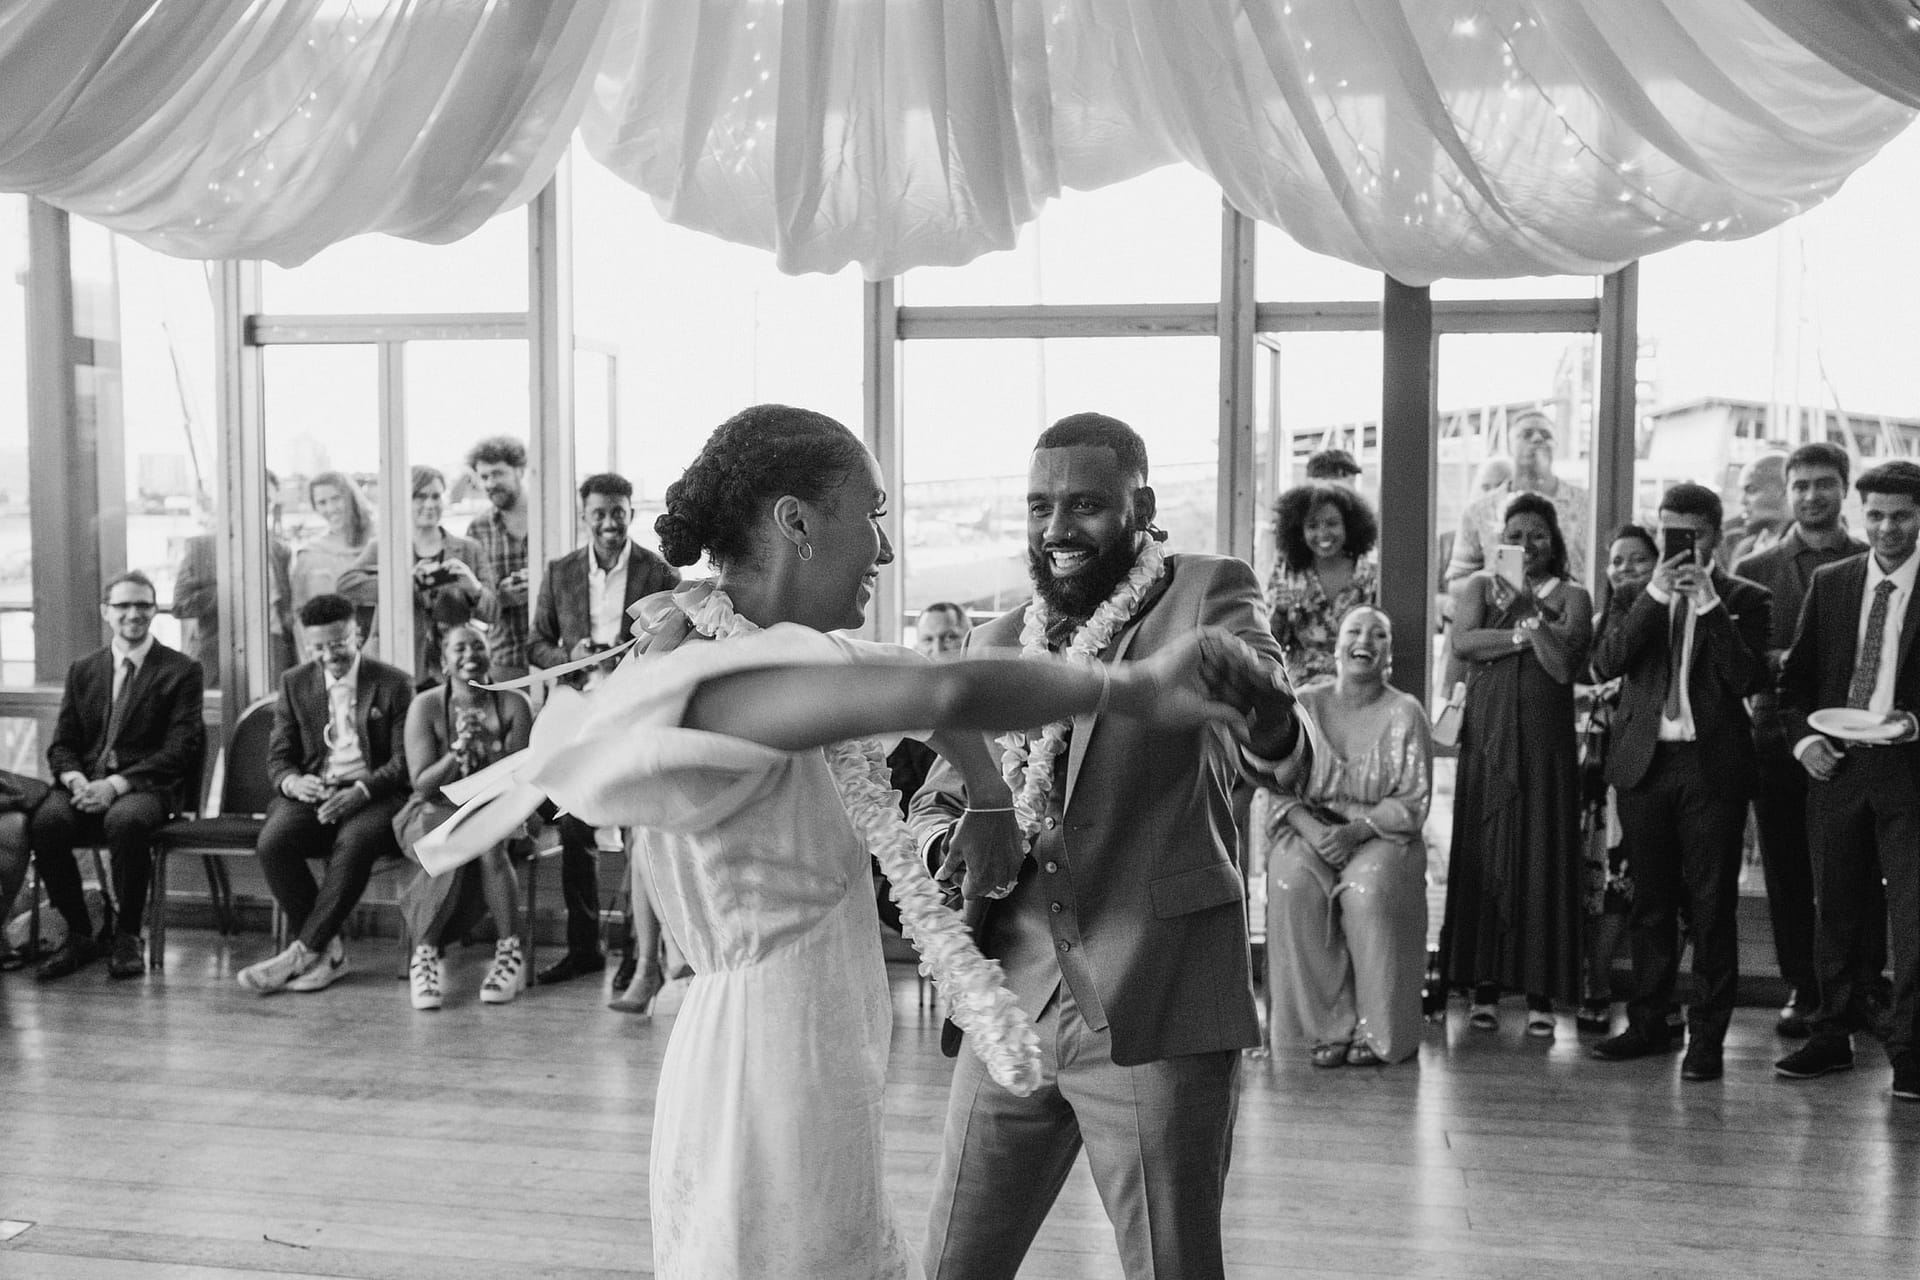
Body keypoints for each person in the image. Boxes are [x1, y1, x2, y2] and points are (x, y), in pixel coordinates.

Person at [412, 403, 1255, 1279]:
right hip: (766, 1070)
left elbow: (928, 685)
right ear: (797, 522)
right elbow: (941, 692)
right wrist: (1134, 687)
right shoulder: (710, 675)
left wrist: (994, 795)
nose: (884, 550)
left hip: (826, 1044)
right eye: (874, 515)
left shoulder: (781, 653)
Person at [910, 411, 1308, 1280]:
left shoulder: (1207, 593)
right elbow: (942, 800)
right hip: (1006, 1002)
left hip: (1155, 994)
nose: (1057, 530)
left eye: (1085, 504)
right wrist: (955, 838)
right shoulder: (996, 640)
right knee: (950, 1262)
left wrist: (1267, 709)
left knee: (1172, 1264)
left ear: (1142, 506)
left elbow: (1286, 749)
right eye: (1038, 506)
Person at [1588, 485, 1771, 1083]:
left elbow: (1746, 678)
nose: (1677, 545)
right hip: (1645, 764)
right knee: (1650, 903)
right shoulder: (1634, 594)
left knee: (1713, 905)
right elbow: (1605, 663)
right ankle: (1648, 1023)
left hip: (1712, 767)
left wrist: (1711, 605)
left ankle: (1708, 1038)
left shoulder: (1748, 599)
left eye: (1688, 533)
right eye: (1668, 532)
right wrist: (1657, 594)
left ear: (1714, 535)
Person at [1775, 460, 1920, 1103]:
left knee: (1913, 918)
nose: (1888, 528)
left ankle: (1911, 1054)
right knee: (1832, 909)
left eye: (1903, 516)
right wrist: (1805, 742)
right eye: (1878, 515)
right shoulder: (1833, 583)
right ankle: (1831, 1035)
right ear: (1863, 516)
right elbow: (1794, 684)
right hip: (1836, 767)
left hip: (1909, 771)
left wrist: (1914, 722)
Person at [1439, 492, 1592, 1035]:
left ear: (1554, 540)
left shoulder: (1575, 595)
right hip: (1489, 734)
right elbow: (1464, 643)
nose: (1526, 544)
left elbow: (1561, 668)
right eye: (1516, 534)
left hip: (1547, 743)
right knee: (1488, 852)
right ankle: (1482, 986)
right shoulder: (1479, 585)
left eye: (1537, 534)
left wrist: (1528, 613)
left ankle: (1539, 995)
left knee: (1541, 855)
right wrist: (1522, 632)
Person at [1736, 441, 1872, 1038]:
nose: (1812, 495)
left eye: (1824, 483)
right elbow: (1737, 665)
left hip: (1861, 741)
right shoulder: (1755, 570)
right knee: (1788, 871)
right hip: (1777, 738)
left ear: (1845, 489)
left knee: (1858, 872)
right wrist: (1786, 663)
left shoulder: (1876, 561)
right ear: (1788, 492)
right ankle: (1803, 986)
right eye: (1801, 485)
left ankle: (1861, 987)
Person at [527, 471, 681, 993]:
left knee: (642, 831)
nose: (610, 523)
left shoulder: (659, 572)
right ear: (585, 516)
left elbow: (678, 648)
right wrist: (568, 658)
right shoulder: (560, 571)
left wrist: (634, 658)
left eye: (618, 512)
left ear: (629, 512)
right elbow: (536, 645)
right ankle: (583, 948)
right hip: (578, 718)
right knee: (574, 830)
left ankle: (642, 957)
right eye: (600, 513)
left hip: (636, 715)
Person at [1264, 605, 1431, 1067]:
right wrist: (1315, 831)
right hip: (1309, 825)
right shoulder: (1305, 705)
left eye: (1379, 634)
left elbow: (1414, 801)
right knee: (1291, 883)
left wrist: (1358, 830)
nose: (1366, 640)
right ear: (1335, 648)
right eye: (1355, 631)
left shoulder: (1406, 712)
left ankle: (1377, 1033)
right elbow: (1275, 785)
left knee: (1366, 892)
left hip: (1381, 832)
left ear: (1388, 654)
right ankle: (1321, 1030)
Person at [30, 571, 205, 981]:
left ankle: (128, 935)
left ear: (154, 611)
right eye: (123, 606)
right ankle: (79, 933)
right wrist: (76, 780)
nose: (134, 614)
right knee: (46, 822)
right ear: (106, 612)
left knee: (125, 821)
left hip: (148, 786)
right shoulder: (84, 670)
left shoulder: (182, 671)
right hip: (85, 782)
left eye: (143, 605)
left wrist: (114, 786)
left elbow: (180, 750)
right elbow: (62, 744)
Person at [237, 594, 415, 995]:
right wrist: (292, 783)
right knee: (274, 840)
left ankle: (301, 952)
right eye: (317, 647)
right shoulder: (294, 682)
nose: (327, 655)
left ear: (359, 633)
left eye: (337, 644)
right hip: (315, 790)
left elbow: (404, 763)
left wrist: (363, 790)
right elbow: (279, 757)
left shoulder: (395, 683)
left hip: (376, 794)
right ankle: (328, 950)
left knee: (354, 841)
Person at [392, 625, 533, 1009]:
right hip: (435, 808)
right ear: (444, 662)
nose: (469, 653)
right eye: (459, 648)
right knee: (443, 843)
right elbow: (421, 785)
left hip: (498, 805)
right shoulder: (425, 705)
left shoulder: (515, 703)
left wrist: (485, 748)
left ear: (490, 655)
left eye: (478, 646)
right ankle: (426, 955)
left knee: (488, 844)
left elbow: (520, 777)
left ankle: (509, 953)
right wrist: (457, 752)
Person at [1576, 523, 1660, 1032]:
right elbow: (1582, 683)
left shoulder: (1671, 618)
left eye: (1638, 560)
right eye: (1616, 561)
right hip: (1598, 771)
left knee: (1639, 884)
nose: (1624, 569)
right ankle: (1594, 980)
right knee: (1601, 882)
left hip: (1653, 770)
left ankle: (1651, 992)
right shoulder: (1598, 623)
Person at [335, 464, 494, 686]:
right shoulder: (384, 548)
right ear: (405, 501)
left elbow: (493, 612)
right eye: (420, 496)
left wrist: (473, 588)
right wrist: (406, 582)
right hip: (395, 661)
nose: (430, 504)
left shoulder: (468, 549)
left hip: (452, 665)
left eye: (436, 496)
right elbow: (346, 585)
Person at [173, 472, 298, 689]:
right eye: (252, 499)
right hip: (219, 649)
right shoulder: (201, 548)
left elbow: (286, 609)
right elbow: (181, 606)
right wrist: (232, 587)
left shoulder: (280, 550)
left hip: (273, 647)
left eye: (266, 501)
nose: (259, 507)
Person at [1445, 411, 1590, 586]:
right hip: (1503, 611)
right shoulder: (1479, 511)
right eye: (1527, 434)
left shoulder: (1587, 505)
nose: (1537, 439)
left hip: (1572, 610)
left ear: (1556, 445)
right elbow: (1457, 582)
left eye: (1546, 435)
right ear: (1510, 445)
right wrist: (1494, 589)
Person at [1266, 481, 1380, 687]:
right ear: (1299, 532)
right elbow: (1269, 643)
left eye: (1332, 523)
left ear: (1349, 526)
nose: (1323, 533)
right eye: (1312, 526)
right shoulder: (1287, 573)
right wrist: (1280, 611)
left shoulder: (1371, 575)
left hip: (1359, 687)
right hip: (1301, 692)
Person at [463, 436, 532, 682]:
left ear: (520, 470)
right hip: (506, 659)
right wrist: (500, 597)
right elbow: (473, 608)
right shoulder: (477, 530)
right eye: (484, 477)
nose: (490, 483)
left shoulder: (554, 517)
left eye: (497, 473)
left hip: (562, 656)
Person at [289, 470, 375, 611]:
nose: (330, 508)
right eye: (322, 502)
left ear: (351, 498)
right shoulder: (309, 555)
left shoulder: (380, 544)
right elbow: (299, 609)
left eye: (336, 498)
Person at [1721, 452, 1791, 567]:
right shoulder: (1744, 548)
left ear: (1784, 491)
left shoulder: (1808, 547)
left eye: (1751, 490)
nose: (1742, 501)